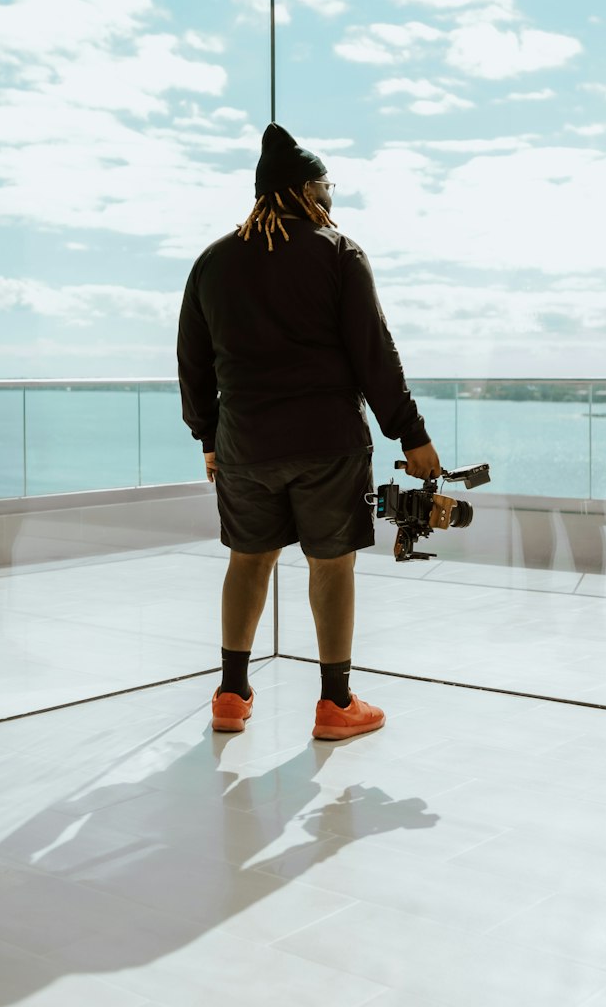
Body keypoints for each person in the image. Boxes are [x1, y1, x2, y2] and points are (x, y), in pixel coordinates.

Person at [177, 122, 441, 740]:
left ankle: (231, 694)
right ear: (304, 190)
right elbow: (374, 352)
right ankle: (335, 703)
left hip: (244, 446)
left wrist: (208, 437)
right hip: (328, 444)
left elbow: (192, 362)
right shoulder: (337, 251)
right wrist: (410, 433)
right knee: (331, 566)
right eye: (327, 187)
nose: (331, 200)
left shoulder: (212, 263)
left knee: (248, 561)